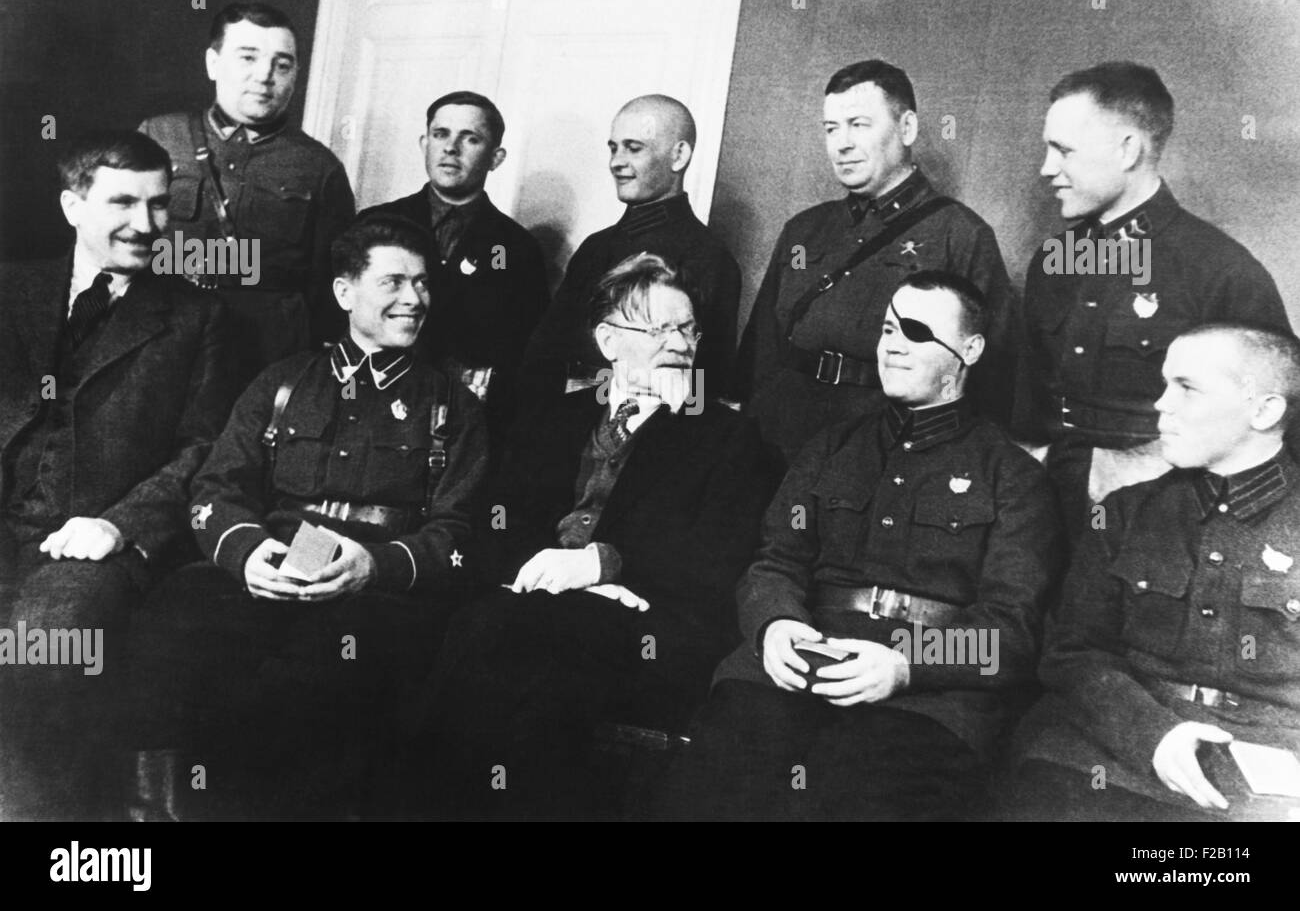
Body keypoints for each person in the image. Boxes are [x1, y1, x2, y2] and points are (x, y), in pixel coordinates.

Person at [652, 273, 1061, 821]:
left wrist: (907, 665)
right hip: (799, 661)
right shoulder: (831, 447)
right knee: (715, 785)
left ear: (970, 350)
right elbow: (775, 561)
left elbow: (1012, 632)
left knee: (844, 796)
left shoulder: (1012, 476)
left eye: (915, 332)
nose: (892, 343)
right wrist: (775, 625)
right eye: (889, 327)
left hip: (929, 699)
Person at [122, 215, 488, 820]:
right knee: (171, 629)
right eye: (393, 282)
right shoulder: (283, 381)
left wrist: (378, 566)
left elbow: (461, 534)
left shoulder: (454, 407)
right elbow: (217, 485)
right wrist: (245, 552)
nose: (414, 299)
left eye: (423, 284)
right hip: (268, 564)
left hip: (375, 593)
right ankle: (153, 816)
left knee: (307, 686)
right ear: (345, 293)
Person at [418, 252, 776, 820]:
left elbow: (717, 558)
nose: (680, 343)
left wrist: (603, 566)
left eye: (688, 328)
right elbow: (493, 521)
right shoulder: (552, 416)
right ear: (609, 342)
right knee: (531, 675)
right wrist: (536, 574)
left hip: (653, 629)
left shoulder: (726, 434)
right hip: (536, 615)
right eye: (659, 328)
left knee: (496, 637)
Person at [0, 130, 234, 820]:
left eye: (160, 206)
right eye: (123, 202)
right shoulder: (10, 289)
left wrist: (119, 524)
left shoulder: (197, 316)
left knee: (45, 642)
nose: (147, 224)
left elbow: (204, 448)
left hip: (95, 546)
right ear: (73, 206)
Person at [1011, 324, 1300, 822]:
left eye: (1187, 388)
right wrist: (1154, 735)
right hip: (1114, 746)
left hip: (1268, 772)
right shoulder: (1125, 512)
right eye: (1165, 384)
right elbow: (1073, 652)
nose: (1160, 405)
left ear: (1264, 410)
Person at [1015, 62, 1290, 541]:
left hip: (1159, 529)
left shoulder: (1221, 271)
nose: (1046, 168)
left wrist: (1139, 464)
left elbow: (1269, 428)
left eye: (1063, 150)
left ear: (1128, 150)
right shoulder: (1055, 260)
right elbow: (1021, 400)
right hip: (1043, 517)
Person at [736, 60, 1019, 466]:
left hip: (884, 449)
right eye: (831, 128)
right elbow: (762, 348)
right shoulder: (804, 230)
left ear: (906, 129)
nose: (841, 144)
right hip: (778, 436)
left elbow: (993, 379)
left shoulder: (961, 235)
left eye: (859, 124)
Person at [139, 1, 356, 382]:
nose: (265, 76)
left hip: (259, 359)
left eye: (282, 64)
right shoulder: (159, 137)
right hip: (158, 338)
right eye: (248, 58)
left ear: (296, 75)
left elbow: (329, 292)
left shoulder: (319, 168)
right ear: (213, 63)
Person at [523, 94, 742, 400]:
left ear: (679, 156)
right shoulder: (595, 247)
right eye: (613, 148)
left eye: (633, 148)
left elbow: (704, 385)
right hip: (562, 427)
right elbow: (544, 353)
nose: (617, 162)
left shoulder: (709, 257)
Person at [363, 91, 549, 444]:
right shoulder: (375, 225)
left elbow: (521, 357)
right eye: (441, 134)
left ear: (496, 157)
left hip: (459, 425)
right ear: (424, 143)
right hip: (373, 408)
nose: (451, 148)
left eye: (471, 138)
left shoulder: (517, 248)